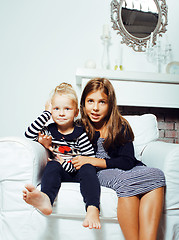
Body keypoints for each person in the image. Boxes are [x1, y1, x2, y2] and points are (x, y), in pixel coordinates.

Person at [70, 78, 166, 240]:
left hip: (126, 168)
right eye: (90, 101)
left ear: (110, 104)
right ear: (83, 103)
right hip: (101, 173)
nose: (95, 108)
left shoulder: (120, 125)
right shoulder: (78, 127)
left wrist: (93, 160)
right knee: (125, 181)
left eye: (102, 102)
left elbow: (127, 161)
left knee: (157, 175)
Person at [22, 82, 101, 229]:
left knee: (88, 168)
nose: (61, 113)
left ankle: (92, 208)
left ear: (76, 112)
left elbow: (90, 157)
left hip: (78, 172)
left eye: (67, 109)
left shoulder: (80, 134)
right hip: (60, 171)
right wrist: (46, 113)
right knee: (52, 165)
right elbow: (28, 135)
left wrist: (75, 161)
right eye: (56, 109)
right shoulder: (49, 131)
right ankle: (46, 199)